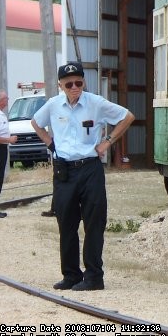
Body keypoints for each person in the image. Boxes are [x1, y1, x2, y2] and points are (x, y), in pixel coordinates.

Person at [32, 62, 135, 291]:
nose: (75, 87)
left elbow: (127, 117)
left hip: (90, 169)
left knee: (94, 223)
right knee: (66, 223)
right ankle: (71, 275)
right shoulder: (53, 105)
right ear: (61, 85)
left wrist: (107, 142)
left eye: (79, 82)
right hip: (64, 171)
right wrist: (51, 144)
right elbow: (36, 123)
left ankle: (94, 277)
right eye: (69, 84)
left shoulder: (95, 103)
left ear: (84, 82)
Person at [0, 90, 19, 219]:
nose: (8, 100)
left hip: (2, 148)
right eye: (6, 98)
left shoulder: (1, 114)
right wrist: (9, 140)